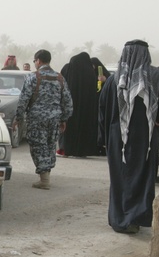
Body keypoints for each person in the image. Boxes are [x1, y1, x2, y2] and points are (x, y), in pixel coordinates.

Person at [97, 40, 159, 234]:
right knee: (141, 175)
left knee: (120, 176)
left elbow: (101, 109)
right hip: (145, 138)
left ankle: (119, 219)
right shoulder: (155, 75)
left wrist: (103, 138)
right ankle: (135, 218)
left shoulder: (113, 79)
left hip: (117, 138)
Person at [15, 50, 73, 189]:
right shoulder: (60, 78)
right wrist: (64, 119)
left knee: (38, 146)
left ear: (39, 61)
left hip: (37, 119)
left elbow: (23, 99)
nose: (34, 63)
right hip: (54, 119)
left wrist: (18, 117)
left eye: (35, 61)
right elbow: (68, 102)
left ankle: (44, 179)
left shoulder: (33, 77)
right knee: (50, 145)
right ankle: (46, 175)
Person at [58, 52, 100, 158]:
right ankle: (82, 150)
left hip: (70, 106)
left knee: (68, 127)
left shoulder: (69, 69)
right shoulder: (90, 72)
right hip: (86, 107)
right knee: (84, 127)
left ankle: (66, 149)